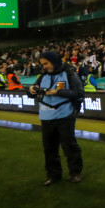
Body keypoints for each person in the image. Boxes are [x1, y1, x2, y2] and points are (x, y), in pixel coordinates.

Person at [26, 51, 84, 186]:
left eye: (46, 63)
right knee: (49, 148)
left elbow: (79, 92)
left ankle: (75, 173)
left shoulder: (69, 73)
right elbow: (30, 93)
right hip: (46, 117)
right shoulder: (43, 76)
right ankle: (53, 175)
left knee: (69, 146)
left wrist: (58, 92)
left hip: (65, 116)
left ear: (54, 61)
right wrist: (31, 90)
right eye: (42, 64)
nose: (44, 66)